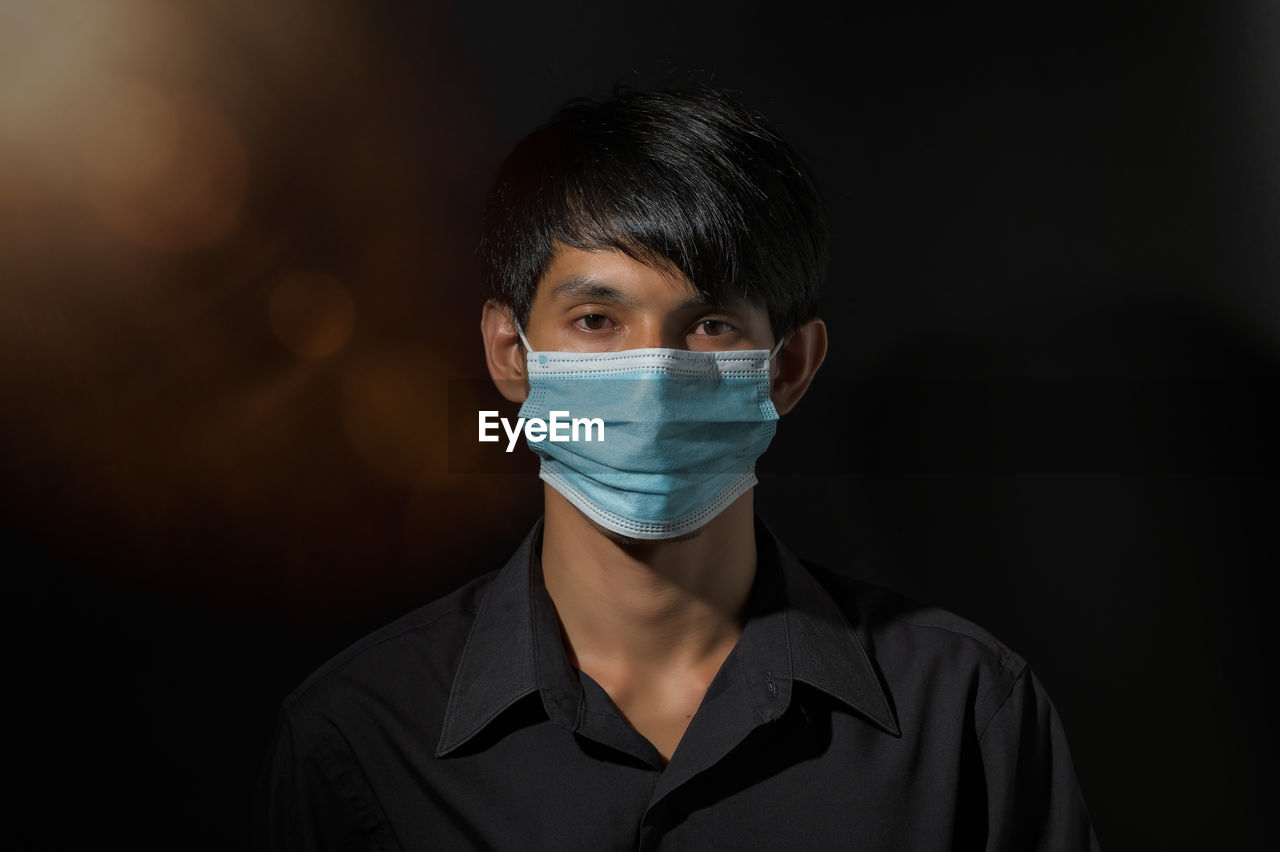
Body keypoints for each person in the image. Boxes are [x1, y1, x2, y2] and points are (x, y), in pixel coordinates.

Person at [256, 86, 1100, 850]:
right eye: (596, 320)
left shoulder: (964, 714)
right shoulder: (361, 738)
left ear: (790, 366)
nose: (653, 379)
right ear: (511, 354)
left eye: (710, 325)